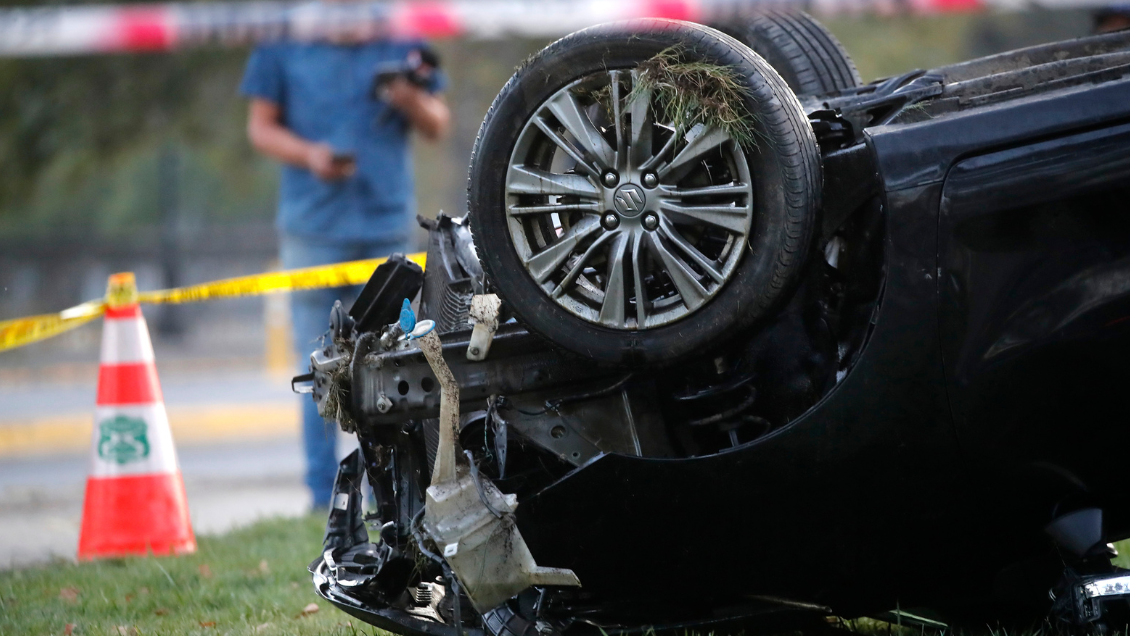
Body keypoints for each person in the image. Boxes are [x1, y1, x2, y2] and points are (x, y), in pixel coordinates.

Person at [240, 27, 451, 509]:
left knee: (393, 360)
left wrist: (408, 100)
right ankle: (322, 495)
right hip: (311, 230)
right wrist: (309, 155)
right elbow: (260, 127)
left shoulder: (398, 33)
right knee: (315, 367)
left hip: (385, 226)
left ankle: (395, 494)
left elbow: (438, 123)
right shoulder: (283, 36)